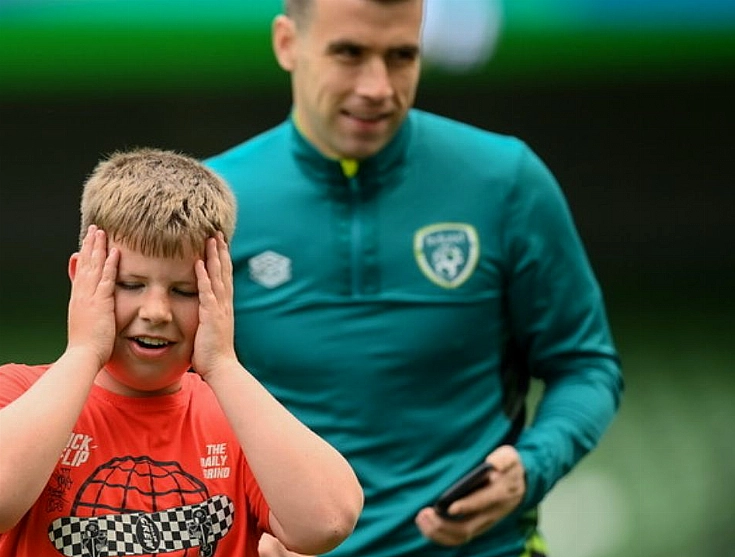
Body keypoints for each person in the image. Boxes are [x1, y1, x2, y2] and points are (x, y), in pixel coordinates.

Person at [204, 1, 624, 556]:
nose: (378, 86)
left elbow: (585, 365)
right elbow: (152, 401)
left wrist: (532, 465)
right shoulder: (211, 202)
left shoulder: (505, 181)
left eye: (401, 56)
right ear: (287, 43)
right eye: (349, 54)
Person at [0, 148, 364, 557]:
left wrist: (223, 366)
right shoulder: (16, 392)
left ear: (221, 291)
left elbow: (326, 523)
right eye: (130, 284)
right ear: (83, 278)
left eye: (185, 291)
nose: (156, 312)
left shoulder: (239, 415)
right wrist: (83, 352)